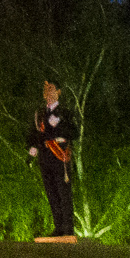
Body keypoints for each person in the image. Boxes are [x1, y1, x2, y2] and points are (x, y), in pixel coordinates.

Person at [28, 82, 77, 240]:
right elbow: (35, 134)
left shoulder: (65, 112)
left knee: (63, 192)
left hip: (59, 156)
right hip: (45, 157)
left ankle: (68, 228)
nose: (48, 93)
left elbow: (73, 132)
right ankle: (58, 227)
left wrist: (57, 130)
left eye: (51, 89)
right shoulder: (40, 114)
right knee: (51, 193)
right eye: (45, 90)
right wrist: (31, 151)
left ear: (58, 92)